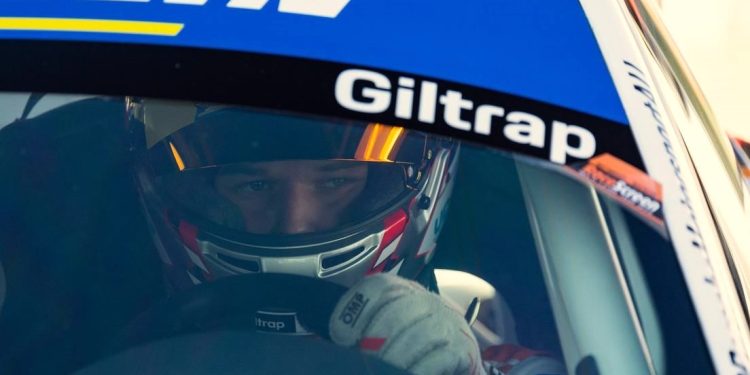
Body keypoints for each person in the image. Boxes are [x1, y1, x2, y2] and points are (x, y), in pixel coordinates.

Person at [126, 98, 565, 375]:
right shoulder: (114, 359)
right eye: (254, 186)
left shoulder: (518, 369)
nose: (295, 223)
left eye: (334, 182)